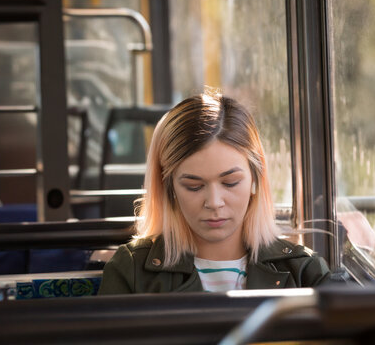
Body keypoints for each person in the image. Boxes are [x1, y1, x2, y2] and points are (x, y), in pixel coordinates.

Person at [99, 90, 330, 294]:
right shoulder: (130, 272)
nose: (214, 202)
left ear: (255, 180)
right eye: (194, 186)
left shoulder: (304, 272)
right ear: (168, 187)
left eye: (230, 183)